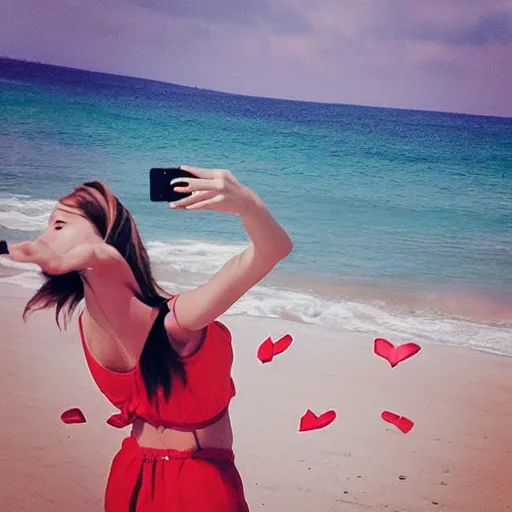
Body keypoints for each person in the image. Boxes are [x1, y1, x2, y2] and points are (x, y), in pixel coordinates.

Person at [1, 165, 293, 512]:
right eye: (50, 225)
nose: (47, 235)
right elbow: (274, 249)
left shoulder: (91, 325)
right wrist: (247, 204)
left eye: (59, 224)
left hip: (131, 478)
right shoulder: (175, 322)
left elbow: (104, 265)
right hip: (196, 488)